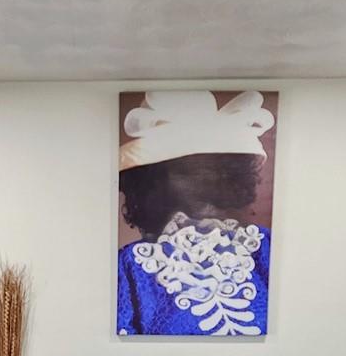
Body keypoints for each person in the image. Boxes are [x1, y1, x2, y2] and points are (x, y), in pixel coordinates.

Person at [117, 91, 274, 336]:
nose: (206, 178)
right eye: (186, 170)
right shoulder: (131, 264)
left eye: (215, 167)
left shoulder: (265, 247)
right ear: (153, 181)